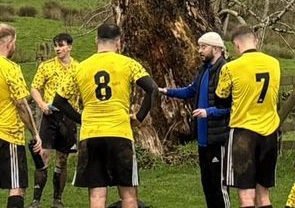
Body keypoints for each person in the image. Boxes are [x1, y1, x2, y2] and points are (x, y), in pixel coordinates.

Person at [50, 23, 159, 208]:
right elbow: (152, 89)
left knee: (97, 197)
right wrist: (139, 116)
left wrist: (81, 118)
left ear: (96, 41)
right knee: (128, 196)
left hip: (91, 134)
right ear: (118, 42)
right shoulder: (128, 64)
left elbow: (58, 101)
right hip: (119, 132)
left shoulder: (81, 67)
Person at [0, 23, 44, 208]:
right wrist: (35, 133)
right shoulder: (9, 67)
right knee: (17, 186)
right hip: (7, 133)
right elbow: (21, 103)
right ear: (10, 42)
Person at [161, 32, 231, 208]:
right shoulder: (203, 69)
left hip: (217, 139)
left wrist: (209, 112)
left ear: (216, 49)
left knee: (219, 188)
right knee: (207, 187)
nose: (199, 50)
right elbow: (190, 91)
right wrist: (167, 91)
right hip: (203, 140)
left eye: (203, 47)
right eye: (199, 46)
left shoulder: (225, 71)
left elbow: (231, 106)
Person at [215, 26, 282, 208]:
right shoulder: (274, 63)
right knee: (264, 194)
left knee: (246, 195)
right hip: (269, 131)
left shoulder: (231, 67)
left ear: (236, 45)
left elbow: (220, 99)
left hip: (243, 131)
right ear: (256, 41)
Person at [30, 33, 79, 208]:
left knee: (63, 159)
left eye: (61, 45)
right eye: (56, 46)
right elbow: (35, 87)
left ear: (70, 47)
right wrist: (42, 104)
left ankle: (57, 199)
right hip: (50, 115)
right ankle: (36, 200)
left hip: (69, 117)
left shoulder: (79, 68)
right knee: (43, 155)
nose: (58, 49)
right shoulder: (46, 66)